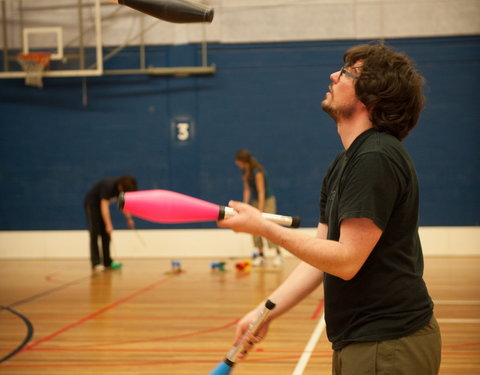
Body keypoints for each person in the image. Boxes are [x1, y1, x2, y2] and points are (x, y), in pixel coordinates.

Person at [218, 42, 442, 375]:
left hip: (388, 345)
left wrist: (263, 227)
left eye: (348, 73)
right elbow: (320, 258)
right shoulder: (346, 162)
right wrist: (265, 311)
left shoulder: (375, 157)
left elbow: (346, 261)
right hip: (361, 342)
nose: (334, 75)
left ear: (373, 97)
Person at [235, 149, 283, 267]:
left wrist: (260, 210)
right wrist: (244, 205)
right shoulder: (245, 172)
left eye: (238, 161)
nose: (236, 163)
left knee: (268, 227)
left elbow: (261, 192)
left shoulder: (257, 172)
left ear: (243, 161)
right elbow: (247, 189)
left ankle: (278, 254)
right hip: (256, 201)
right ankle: (261, 256)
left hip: (267, 201)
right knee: (254, 227)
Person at [84, 175, 137, 271]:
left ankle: (107, 262)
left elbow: (123, 205)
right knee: (94, 233)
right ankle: (95, 263)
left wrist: (129, 219)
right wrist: (108, 225)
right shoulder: (108, 186)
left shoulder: (121, 190)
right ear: (121, 187)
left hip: (101, 207)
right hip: (92, 206)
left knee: (106, 235)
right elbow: (104, 206)